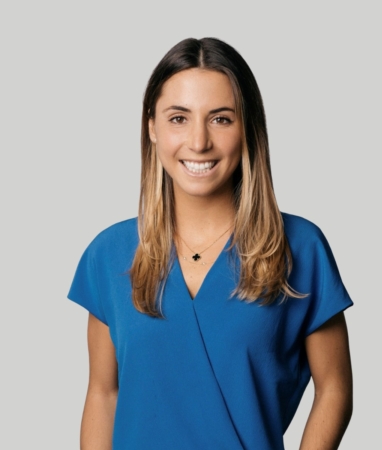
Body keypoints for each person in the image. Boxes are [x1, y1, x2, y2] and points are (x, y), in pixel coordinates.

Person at [68, 37, 353, 450]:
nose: (198, 141)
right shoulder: (108, 254)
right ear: (152, 127)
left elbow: (335, 389)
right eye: (178, 118)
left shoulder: (300, 248)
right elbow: (103, 394)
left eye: (220, 119)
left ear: (247, 128)